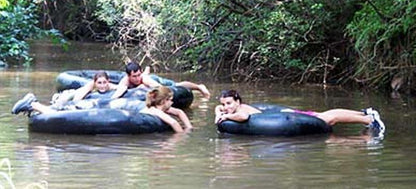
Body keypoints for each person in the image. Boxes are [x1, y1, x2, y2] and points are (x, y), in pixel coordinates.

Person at [214, 90, 386, 136]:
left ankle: (369, 119)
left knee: (328, 119)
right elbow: (217, 109)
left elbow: (243, 118)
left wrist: (226, 117)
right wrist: (218, 112)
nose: (226, 107)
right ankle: (364, 113)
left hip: (288, 116)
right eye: (224, 105)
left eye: (229, 103)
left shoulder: (240, 110)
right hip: (283, 114)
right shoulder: (226, 108)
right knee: (324, 114)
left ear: (237, 101)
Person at [11, 71, 116, 115]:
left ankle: (34, 105)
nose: (102, 85)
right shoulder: (89, 86)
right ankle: (32, 104)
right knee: (55, 112)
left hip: (74, 98)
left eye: (104, 83)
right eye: (99, 83)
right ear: (95, 82)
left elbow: (122, 88)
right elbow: (76, 100)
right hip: (68, 97)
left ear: (108, 81)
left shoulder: (110, 87)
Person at [111, 62, 210, 99]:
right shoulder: (125, 80)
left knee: (176, 85)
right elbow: (120, 90)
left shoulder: (144, 79)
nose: (137, 78)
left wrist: (144, 87)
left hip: (155, 80)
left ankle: (199, 87)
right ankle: (147, 70)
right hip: (146, 78)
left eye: (138, 75)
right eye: (134, 76)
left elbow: (159, 88)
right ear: (129, 76)